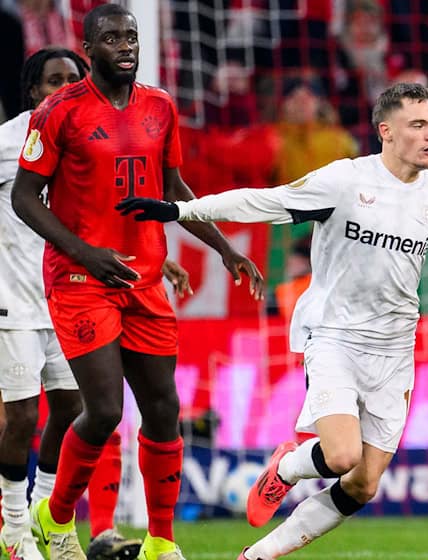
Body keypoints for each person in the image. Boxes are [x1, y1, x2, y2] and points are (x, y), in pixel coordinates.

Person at [116, 82, 428, 560]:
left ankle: (256, 554)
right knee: (341, 456)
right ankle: (290, 466)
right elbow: (261, 201)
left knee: (362, 485)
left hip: (396, 350)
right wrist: (180, 209)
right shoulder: (344, 182)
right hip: (334, 336)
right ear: (386, 131)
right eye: (418, 125)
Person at [10, 5, 263, 560]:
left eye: (131, 35)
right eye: (112, 37)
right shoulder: (58, 112)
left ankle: (161, 541)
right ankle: (52, 517)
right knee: (101, 409)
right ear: (88, 45)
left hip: (144, 279)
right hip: (80, 278)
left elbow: (173, 187)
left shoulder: (160, 106)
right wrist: (85, 253)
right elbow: (23, 197)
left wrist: (221, 247)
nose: (125, 45)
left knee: (164, 410)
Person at [0, 46, 191, 560]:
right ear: (32, 91)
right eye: (51, 80)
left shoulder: (89, 126)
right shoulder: (11, 140)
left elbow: (106, 207)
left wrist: (158, 259)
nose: (63, 86)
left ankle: (52, 519)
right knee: (20, 418)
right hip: (15, 299)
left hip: (80, 291)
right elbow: (24, 200)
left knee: (77, 408)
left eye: (72, 78)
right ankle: (15, 529)